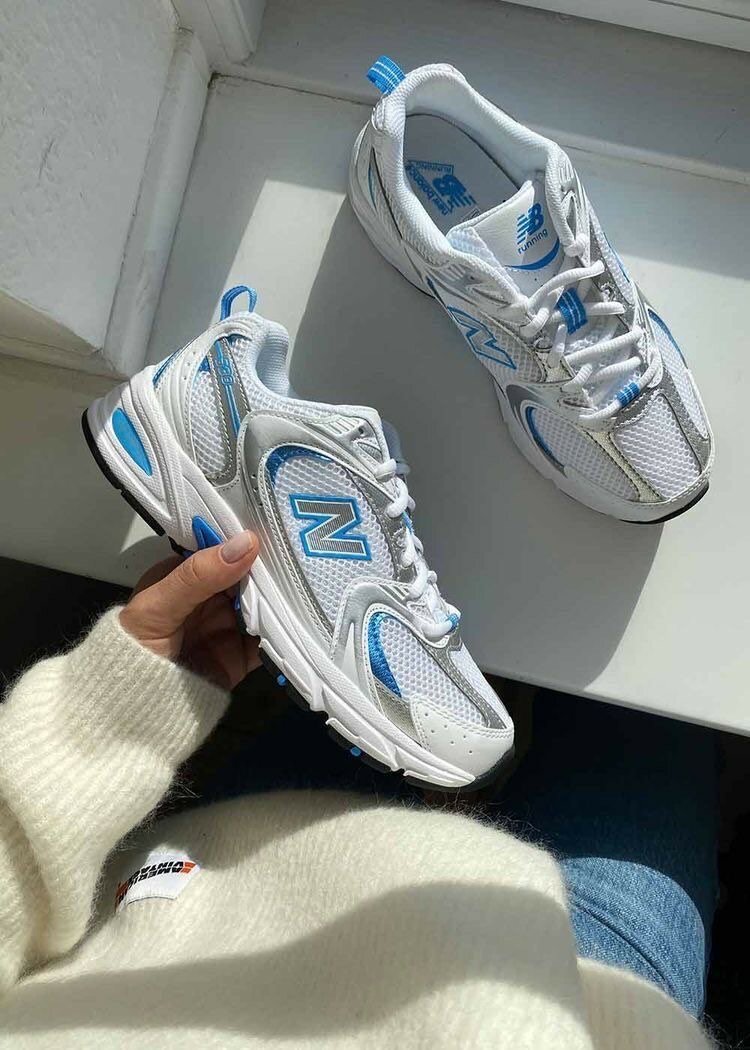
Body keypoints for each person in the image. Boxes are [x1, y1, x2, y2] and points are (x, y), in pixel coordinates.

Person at [0, 532, 718, 1048]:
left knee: (412, 594)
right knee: (668, 655)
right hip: (580, 987)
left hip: (221, 890)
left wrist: (106, 718)